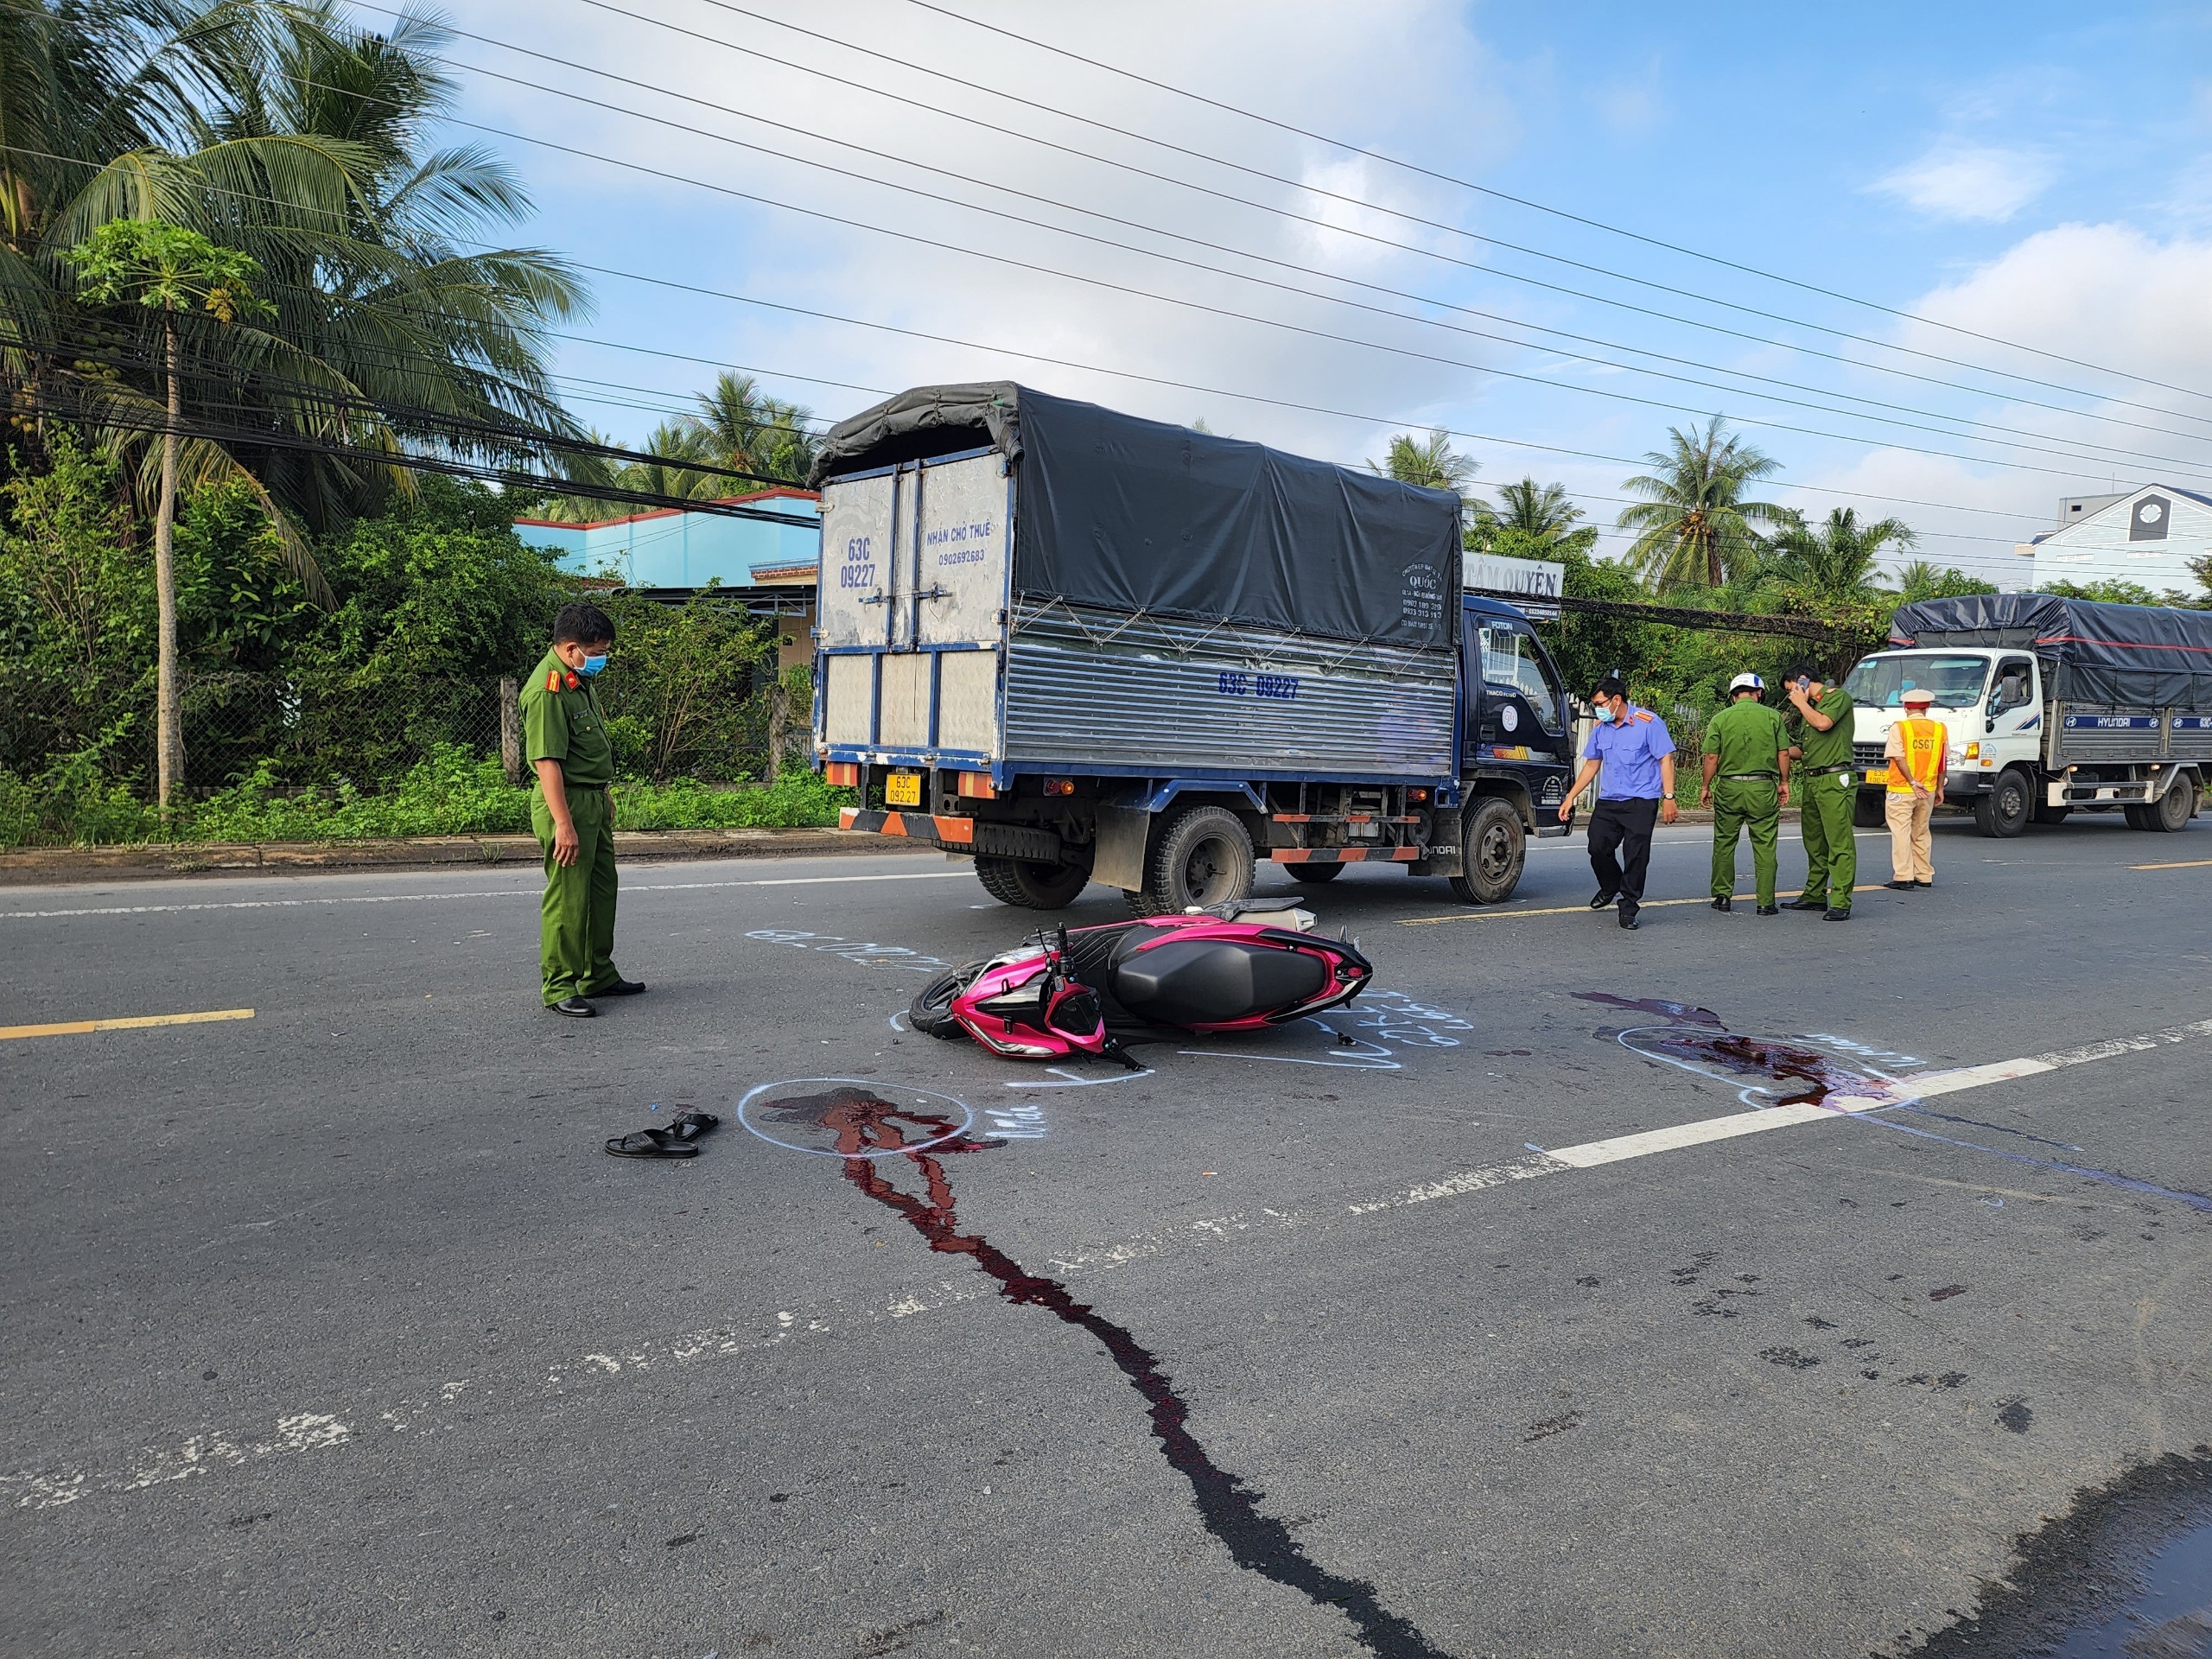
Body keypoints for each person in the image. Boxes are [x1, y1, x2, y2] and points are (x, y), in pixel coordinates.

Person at [522, 601, 645, 1016]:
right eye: (597, 651)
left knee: (601, 888)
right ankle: (559, 985)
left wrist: (602, 790)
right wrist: (564, 825)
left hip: (590, 797)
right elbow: (547, 762)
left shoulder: (576, 679)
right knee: (569, 895)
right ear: (571, 647)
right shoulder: (546, 690)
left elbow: (584, 749)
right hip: (566, 803)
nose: (601, 659)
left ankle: (598, 973)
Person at [1557, 674, 1678, 930]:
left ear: (1617, 700)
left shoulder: (1648, 723)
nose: (1598, 709)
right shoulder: (1602, 729)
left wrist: (1669, 796)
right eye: (1595, 705)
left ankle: (1629, 907)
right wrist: (1571, 796)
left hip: (1641, 802)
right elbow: (1592, 764)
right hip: (1610, 801)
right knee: (1597, 847)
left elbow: (1665, 759)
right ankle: (1611, 885)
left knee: (1636, 856)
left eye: (1601, 704)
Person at [1700, 672, 1791, 915]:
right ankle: (1765, 902)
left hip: (1729, 787)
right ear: (1759, 693)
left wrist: (1705, 787)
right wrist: (1784, 782)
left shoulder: (1720, 718)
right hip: (1762, 787)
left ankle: (1722, 897)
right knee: (1765, 845)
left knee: (1724, 842)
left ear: (1733, 696)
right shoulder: (1773, 717)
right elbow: (1783, 753)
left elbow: (1711, 757)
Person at [1782, 664, 1859, 920]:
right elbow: (1804, 750)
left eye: (1792, 689)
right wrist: (1776, 750)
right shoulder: (1810, 709)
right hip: (1812, 779)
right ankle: (1814, 895)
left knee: (1839, 843)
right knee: (1814, 842)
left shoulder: (1837, 697)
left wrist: (1802, 704)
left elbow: (1824, 724)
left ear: (1803, 681)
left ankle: (1840, 901)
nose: (1791, 696)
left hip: (1835, 778)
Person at [1882, 685, 1948, 891]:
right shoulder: (1939, 729)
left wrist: (1911, 781)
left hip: (1902, 789)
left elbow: (1898, 758)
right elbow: (1942, 763)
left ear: (1905, 708)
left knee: (1901, 832)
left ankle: (1903, 876)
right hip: (1927, 790)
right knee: (1921, 832)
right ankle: (1924, 875)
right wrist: (1940, 789)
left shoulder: (1899, 727)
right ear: (1927, 708)